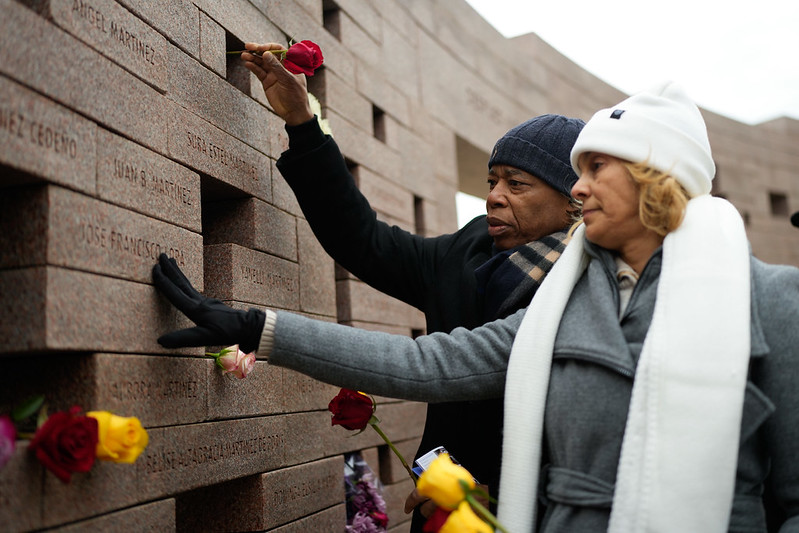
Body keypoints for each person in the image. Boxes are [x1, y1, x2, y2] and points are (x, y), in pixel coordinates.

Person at [152, 82, 799, 532]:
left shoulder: (769, 299)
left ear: (655, 175)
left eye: (595, 167)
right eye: (490, 180)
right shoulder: (560, 303)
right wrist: (260, 328)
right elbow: (429, 362)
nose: (579, 186)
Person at [236, 42, 584, 526]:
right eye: (491, 182)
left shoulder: (594, 290)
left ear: (574, 203)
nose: (494, 198)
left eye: (517, 185)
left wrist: (501, 498)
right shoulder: (466, 253)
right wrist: (303, 124)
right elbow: (363, 241)